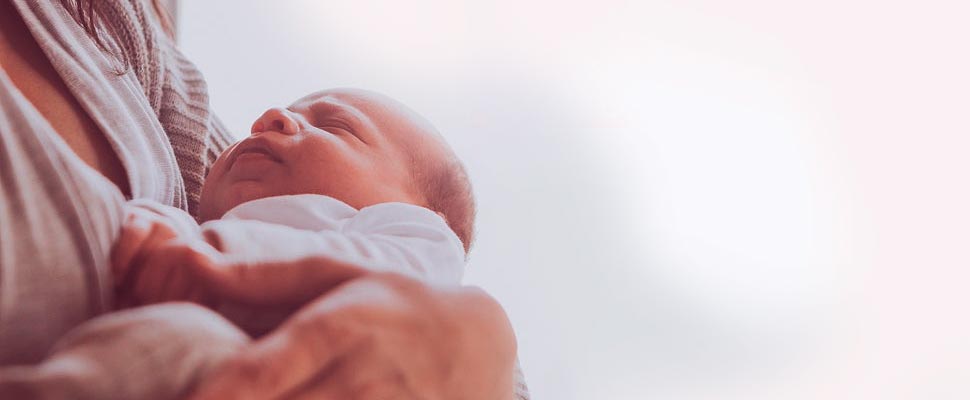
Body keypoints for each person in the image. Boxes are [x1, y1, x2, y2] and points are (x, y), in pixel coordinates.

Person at [0, 1, 529, 399]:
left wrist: (482, 338)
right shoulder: (215, 209)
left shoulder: (407, 235)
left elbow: (440, 313)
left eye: (337, 125)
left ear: (420, 214)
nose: (272, 118)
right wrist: (156, 231)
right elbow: (177, 224)